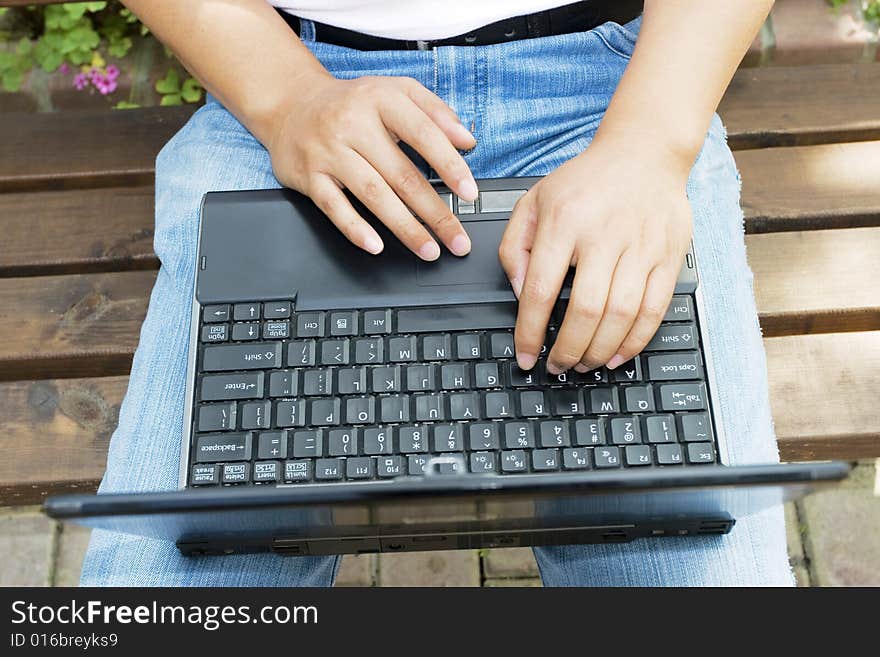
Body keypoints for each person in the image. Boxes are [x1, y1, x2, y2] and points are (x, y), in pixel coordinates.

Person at [81, 0, 792, 586]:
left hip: (614, 94)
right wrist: (290, 101)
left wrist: (649, 147)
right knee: (157, 584)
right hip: (282, 82)